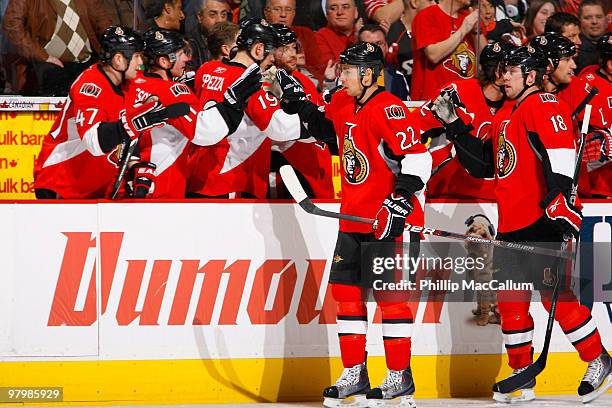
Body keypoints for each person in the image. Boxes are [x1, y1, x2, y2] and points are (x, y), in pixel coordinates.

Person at [431, 45, 611, 404]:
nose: (503, 77)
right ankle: (520, 374)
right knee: (511, 302)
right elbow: (484, 165)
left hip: (542, 220)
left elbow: (560, 155)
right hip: (511, 223)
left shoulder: (544, 105)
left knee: (555, 299)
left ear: (531, 76)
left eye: (511, 72)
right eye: (502, 72)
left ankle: (598, 359)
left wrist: (560, 202)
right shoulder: (506, 115)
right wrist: (455, 126)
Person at [276, 42, 431, 407]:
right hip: (354, 219)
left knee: (391, 302)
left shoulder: (389, 109)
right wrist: (298, 102)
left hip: (391, 223)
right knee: (346, 297)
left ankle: (398, 377)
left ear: (367, 73)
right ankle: (355, 373)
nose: (341, 75)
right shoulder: (345, 103)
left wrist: (400, 200)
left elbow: (417, 159)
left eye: (348, 70)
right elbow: (327, 133)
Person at [187, 18, 301, 199]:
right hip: (230, 179)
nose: (273, 59)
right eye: (271, 52)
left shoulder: (206, 70)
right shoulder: (250, 84)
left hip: (199, 173)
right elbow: (279, 129)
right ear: (258, 50)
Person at [33, 26, 151, 198]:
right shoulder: (90, 86)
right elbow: (94, 141)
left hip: (95, 183)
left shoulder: (127, 84)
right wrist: (138, 122)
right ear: (118, 59)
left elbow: (125, 133)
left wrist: (134, 165)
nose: (140, 62)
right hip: (62, 182)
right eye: (136, 56)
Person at [420, 41, 515, 199]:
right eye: (512, 68)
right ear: (499, 72)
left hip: (496, 198)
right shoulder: (456, 93)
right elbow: (414, 129)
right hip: (446, 196)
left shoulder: (517, 105)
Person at [266, 24, 335, 198]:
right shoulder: (268, 81)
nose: (291, 54)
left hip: (316, 163)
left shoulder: (303, 79)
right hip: (288, 168)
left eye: (293, 47)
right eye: (283, 48)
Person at [2, 0, 112, 96]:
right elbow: (12, 25)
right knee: (54, 81)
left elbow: (102, 22)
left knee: (104, 84)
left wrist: (114, 49)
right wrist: (43, 56)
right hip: (46, 62)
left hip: (86, 61)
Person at [410, 0, 478, 100]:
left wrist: (477, 32)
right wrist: (463, 30)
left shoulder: (468, 17)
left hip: (466, 100)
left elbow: (485, 58)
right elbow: (433, 55)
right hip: (432, 101)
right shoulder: (427, 15)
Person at [358, 24, 409, 99]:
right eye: (368, 45)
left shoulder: (397, 77)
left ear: (386, 46)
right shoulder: (347, 76)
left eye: (379, 44)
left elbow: (404, 108)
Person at [575, 0, 608, 72]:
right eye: (588, 17)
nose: (594, 21)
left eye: (599, 17)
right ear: (579, 21)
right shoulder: (574, 52)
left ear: (606, 19)